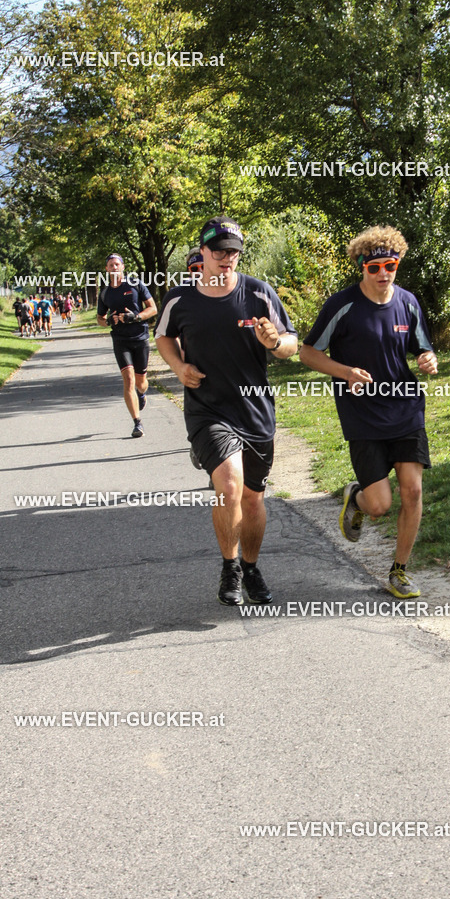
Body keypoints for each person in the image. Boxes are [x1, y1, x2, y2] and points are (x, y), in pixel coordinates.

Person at [155, 216, 298, 606]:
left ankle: (250, 567)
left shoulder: (258, 293)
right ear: (202, 251)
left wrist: (275, 342)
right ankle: (230, 565)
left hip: (255, 412)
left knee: (253, 499)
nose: (227, 258)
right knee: (230, 486)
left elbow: (290, 345)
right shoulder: (179, 298)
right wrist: (178, 367)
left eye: (233, 251)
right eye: (219, 250)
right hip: (208, 409)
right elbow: (163, 336)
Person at [300, 225, 438, 599]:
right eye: (374, 267)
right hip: (363, 415)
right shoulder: (342, 305)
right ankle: (357, 497)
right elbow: (308, 351)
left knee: (412, 490)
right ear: (361, 267)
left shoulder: (408, 302)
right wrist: (345, 372)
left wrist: (427, 359)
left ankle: (400, 571)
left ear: (398, 264)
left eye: (389, 265)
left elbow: (422, 347)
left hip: (406, 407)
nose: (382, 274)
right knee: (379, 506)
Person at [96, 254, 157, 438]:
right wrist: (108, 321)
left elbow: (153, 308)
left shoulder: (135, 285)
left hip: (140, 337)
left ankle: (141, 394)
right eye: (110, 265)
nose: (114, 267)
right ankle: (137, 423)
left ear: (123, 267)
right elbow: (100, 319)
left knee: (141, 382)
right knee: (128, 379)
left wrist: (136, 317)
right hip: (120, 340)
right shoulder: (105, 293)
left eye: (117, 264)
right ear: (106, 269)